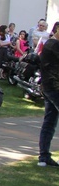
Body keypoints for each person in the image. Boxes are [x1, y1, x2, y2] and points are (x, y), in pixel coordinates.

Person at [38, 23, 59, 167]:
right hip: (54, 88)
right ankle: (44, 156)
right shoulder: (54, 46)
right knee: (49, 123)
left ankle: (44, 157)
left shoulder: (49, 44)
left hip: (48, 87)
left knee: (49, 122)